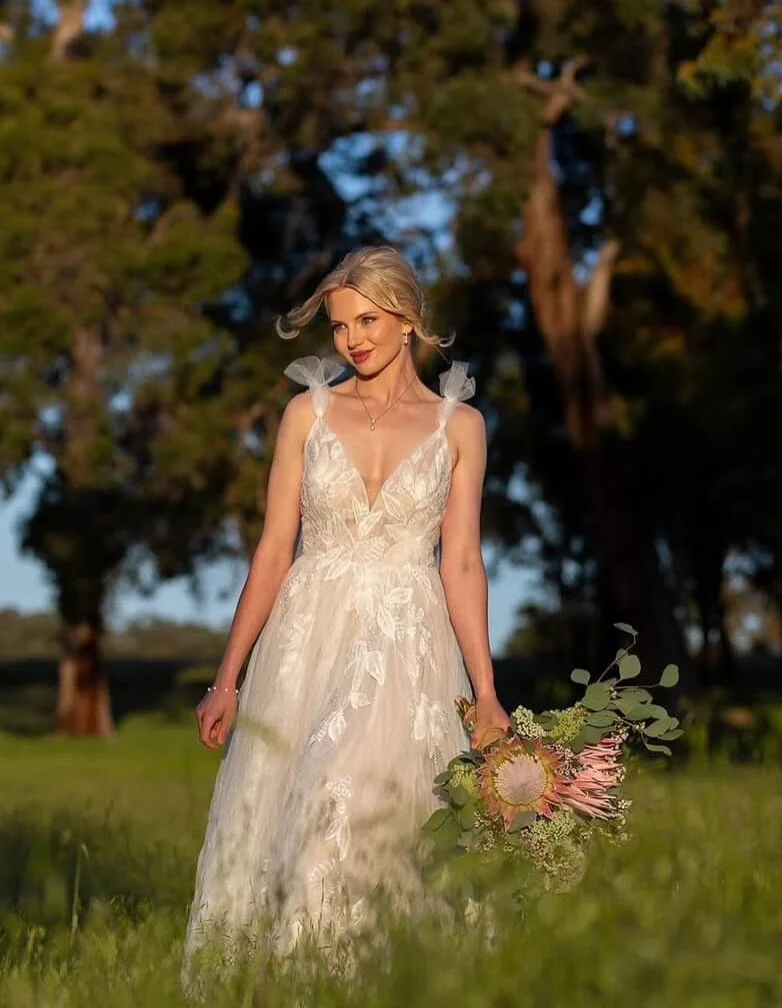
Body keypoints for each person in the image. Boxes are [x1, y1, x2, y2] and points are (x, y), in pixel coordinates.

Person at [182, 245, 510, 969]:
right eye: (338, 326)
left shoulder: (461, 428)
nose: (353, 339)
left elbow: (461, 562)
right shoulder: (307, 413)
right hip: (307, 640)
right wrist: (227, 679)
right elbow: (273, 550)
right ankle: (302, 978)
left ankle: (370, 974)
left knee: (357, 808)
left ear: (408, 321)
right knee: (292, 821)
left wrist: (486, 693)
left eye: (367, 320)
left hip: (406, 646)